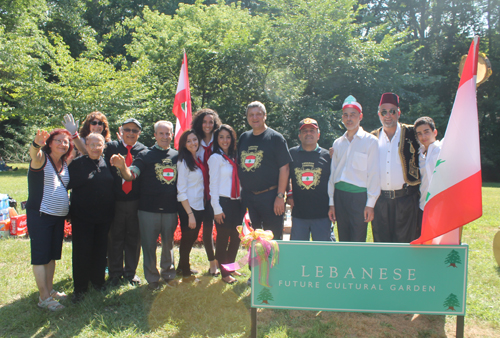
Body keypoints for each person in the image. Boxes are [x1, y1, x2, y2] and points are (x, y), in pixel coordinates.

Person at [63, 115, 147, 285]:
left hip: (134, 201)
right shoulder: (110, 147)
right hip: (114, 200)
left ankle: (130, 273)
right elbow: (90, 150)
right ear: (120, 132)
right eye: (127, 129)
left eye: (134, 130)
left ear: (139, 133)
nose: (130, 133)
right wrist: (74, 136)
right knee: (114, 238)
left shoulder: (144, 151)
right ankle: (115, 273)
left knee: (133, 238)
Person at [110, 121, 178, 290]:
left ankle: (168, 274)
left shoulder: (177, 156)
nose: (164, 136)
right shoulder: (145, 155)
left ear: (172, 135)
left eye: (167, 133)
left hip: (170, 209)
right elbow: (131, 175)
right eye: (161, 133)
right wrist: (123, 168)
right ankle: (152, 278)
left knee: (168, 244)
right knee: (148, 246)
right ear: (155, 135)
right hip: (148, 209)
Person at [26, 129, 74, 311]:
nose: (63, 144)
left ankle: (50, 290)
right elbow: (34, 154)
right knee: (40, 257)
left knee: (52, 256)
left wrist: (75, 134)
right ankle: (43, 298)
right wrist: (36, 144)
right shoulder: (42, 159)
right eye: (59, 140)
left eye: (66, 142)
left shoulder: (63, 163)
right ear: (50, 143)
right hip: (41, 215)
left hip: (58, 217)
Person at [68, 133, 114, 302]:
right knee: (82, 251)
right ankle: (80, 288)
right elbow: (65, 184)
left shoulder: (108, 163)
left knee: (100, 250)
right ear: (86, 146)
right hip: (82, 216)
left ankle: (98, 282)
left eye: (99, 144)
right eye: (92, 144)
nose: (95, 148)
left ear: (104, 146)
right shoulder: (77, 164)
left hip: (104, 216)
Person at [327, 96, 380, 242]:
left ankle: (357, 265)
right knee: (343, 239)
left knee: (357, 239)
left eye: (353, 115)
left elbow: (374, 174)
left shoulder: (371, 141)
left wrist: (370, 204)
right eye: (345, 115)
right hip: (340, 197)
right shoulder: (338, 143)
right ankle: (344, 265)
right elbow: (333, 174)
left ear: (360, 117)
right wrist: (332, 202)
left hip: (359, 197)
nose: (349, 118)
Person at [238, 101, 292, 240]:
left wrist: (280, 196)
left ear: (265, 116)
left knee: (273, 239)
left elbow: (284, 168)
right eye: (251, 115)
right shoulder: (244, 138)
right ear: (247, 117)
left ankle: (274, 263)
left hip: (271, 197)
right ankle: (254, 263)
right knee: (250, 237)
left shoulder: (276, 138)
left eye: (258, 114)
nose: (255, 118)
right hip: (248, 198)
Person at [371, 93, 420, 243]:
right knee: (382, 245)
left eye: (392, 111)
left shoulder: (413, 133)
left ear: (398, 113)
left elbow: (432, 145)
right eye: (384, 112)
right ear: (379, 114)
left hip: (406, 199)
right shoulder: (372, 137)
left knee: (405, 245)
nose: (388, 115)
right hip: (380, 202)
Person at [208, 125, 243, 284]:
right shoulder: (215, 158)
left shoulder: (236, 157)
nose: (224, 140)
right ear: (217, 140)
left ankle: (230, 267)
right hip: (223, 202)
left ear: (232, 139)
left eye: (228, 137)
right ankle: (224, 273)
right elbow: (212, 185)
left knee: (236, 238)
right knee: (223, 238)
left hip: (238, 203)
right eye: (221, 137)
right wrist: (216, 208)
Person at [287, 118, 333, 241]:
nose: (308, 133)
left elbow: (333, 181)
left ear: (318, 135)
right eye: (305, 131)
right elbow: (284, 176)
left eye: (312, 130)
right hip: (299, 214)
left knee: (324, 254)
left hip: (323, 215)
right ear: (299, 135)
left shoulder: (328, 156)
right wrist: (289, 193)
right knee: (299, 253)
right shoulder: (291, 154)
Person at [191, 109, 222, 276]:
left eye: (211, 122)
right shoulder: (195, 141)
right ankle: (212, 264)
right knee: (208, 228)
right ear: (199, 123)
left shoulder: (220, 141)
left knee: (223, 230)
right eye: (204, 122)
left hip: (218, 192)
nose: (208, 125)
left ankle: (223, 262)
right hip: (201, 193)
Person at [177, 130, 205, 282]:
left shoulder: (197, 159)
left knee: (191, 238)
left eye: (195, 139)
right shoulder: (183, 162)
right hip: (189, 207)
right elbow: (181, 191)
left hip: (199, 205)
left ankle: (182, 266)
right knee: (187, 240)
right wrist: (190, 214)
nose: (193, 143)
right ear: (183, 144)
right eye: (189, 141)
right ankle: (186, 274)